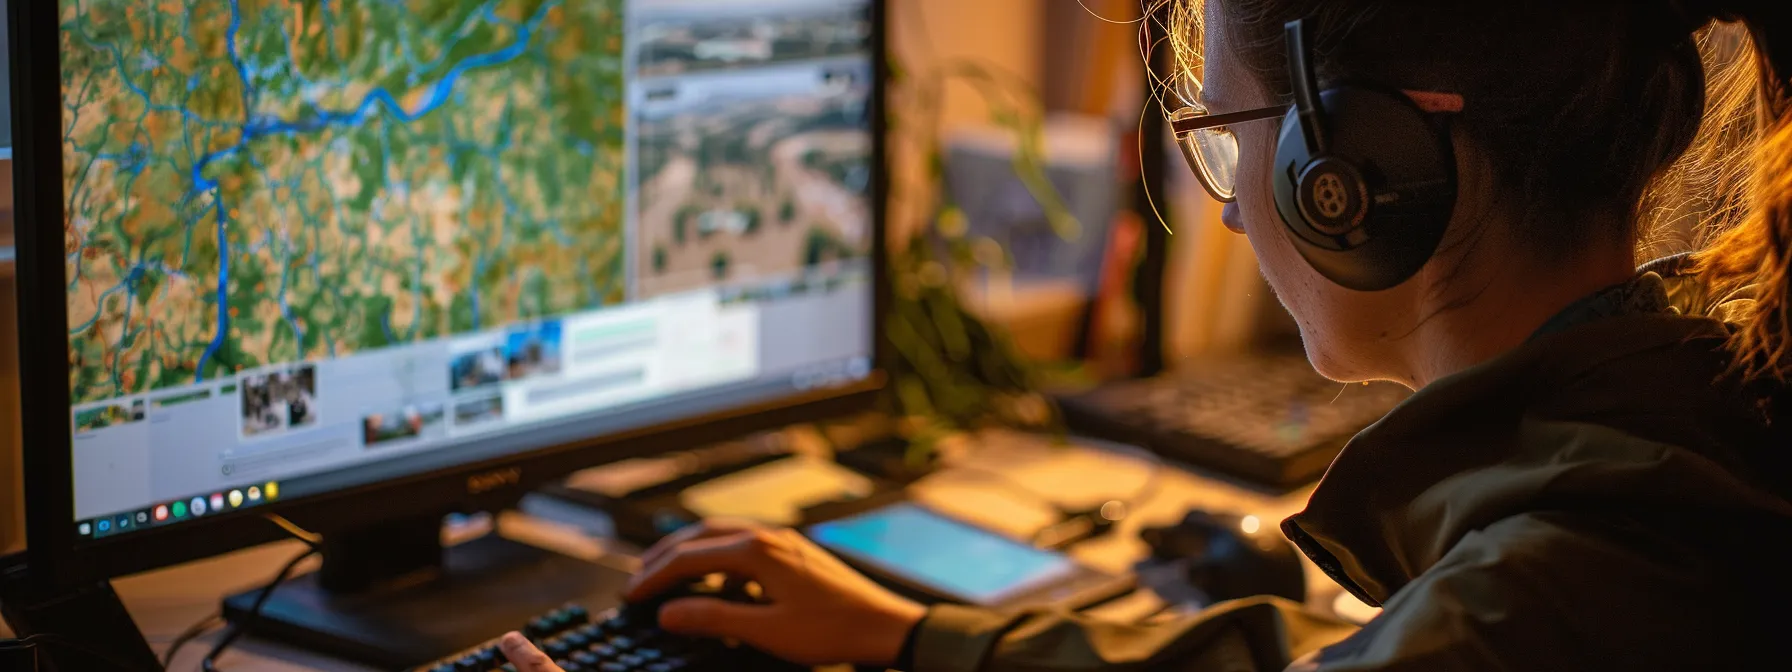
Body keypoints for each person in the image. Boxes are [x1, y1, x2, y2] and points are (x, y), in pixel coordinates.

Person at [504, 0, 1792, 669]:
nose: (1230, 222)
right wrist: (916, 635)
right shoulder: (1669, 452)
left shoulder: (1537, 598)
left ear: (1347, 177)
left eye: (1226, 147)